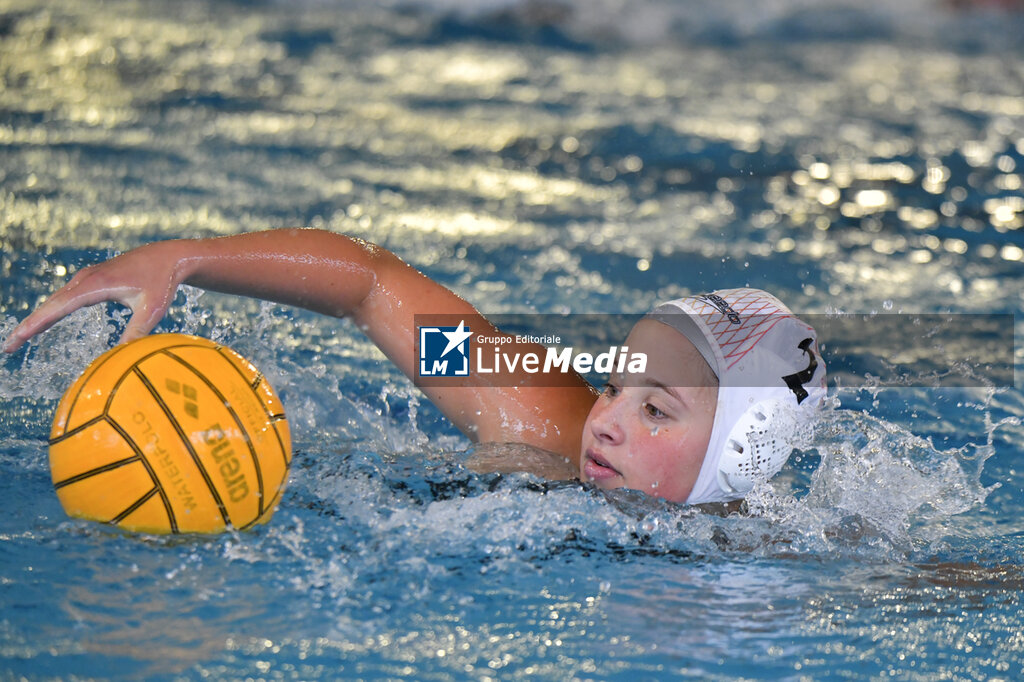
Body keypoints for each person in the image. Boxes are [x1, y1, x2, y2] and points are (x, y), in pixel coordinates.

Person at [2, 228, 826, 505]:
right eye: (615, 383)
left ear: (737, 456)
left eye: (657, 411)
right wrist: (184, 258)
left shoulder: (776, 566)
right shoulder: (539, 416)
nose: (605, 417)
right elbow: (371, 286)